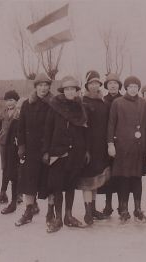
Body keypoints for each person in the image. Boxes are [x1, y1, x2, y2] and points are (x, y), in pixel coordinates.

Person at [42, 76, 88, 233]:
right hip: (58, 153)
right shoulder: (54, 106)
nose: (70, 92)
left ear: (76, 91)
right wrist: (46, 151)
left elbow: (84, 131)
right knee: (57, 186)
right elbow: (47, 130)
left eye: (73, 89)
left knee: (70, 185)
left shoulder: (80, 108)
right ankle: (58, 218)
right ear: (63, 91)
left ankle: (69, 216)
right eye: (67, 89)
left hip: (76, 152)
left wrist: (85, 150)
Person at [107, 75, 146, 223]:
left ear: (138, 88)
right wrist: (110, 144)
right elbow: (111, 124)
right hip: (122, 148)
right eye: (130, 87)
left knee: (137, 179)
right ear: (126, 88)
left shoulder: (144, 103)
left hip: (138, 148)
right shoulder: (118, 103)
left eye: (136, 87)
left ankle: (137, 209)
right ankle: (123, 209)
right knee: (123, 179)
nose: (133, 89)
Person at [15, 73, 52, 226]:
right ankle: (29, 210)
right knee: (29, 181)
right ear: (35, 87)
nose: (43, 88)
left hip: (47, 150)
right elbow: (20, 127)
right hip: (30, 149)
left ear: (49, 87)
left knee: (49, 182)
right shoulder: (26, 104)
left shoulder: (53, 103)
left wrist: (49, 150)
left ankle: (51, 213)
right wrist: (21, 146)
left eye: (46, 85)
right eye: (40, 85)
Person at [78, 70, 110, 225]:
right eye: (91, 83)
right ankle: (87, 212)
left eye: (97, 83)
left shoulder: (103, 103)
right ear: (87, 85)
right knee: (87, 180)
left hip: (101, 147)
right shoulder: (82, 102)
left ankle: (94, 209)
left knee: (96, 179)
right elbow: (81, 128)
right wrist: (85, 149)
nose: (94, 85)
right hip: (87, 147)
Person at [0, 90, 22, 206]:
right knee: (5, 166)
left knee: (16, 167)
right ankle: (3, 193)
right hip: (3, 144)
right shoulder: (3, 113)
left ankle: (18, 194)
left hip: (15, 144)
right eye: (7, 101)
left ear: (16, 101)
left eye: (11, 100)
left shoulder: (19, 112)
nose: (9, 103)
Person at [98, 73, 122, 217]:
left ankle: (121, 205)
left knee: (119, 175)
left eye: (115, 83)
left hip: (122, 142)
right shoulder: (103, 100)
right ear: (106, 86)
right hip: (107, 142)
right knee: (108, 175)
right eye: (110, 83)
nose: (113, 85)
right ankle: (108, 205)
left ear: (119, 86)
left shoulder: (124, 99)